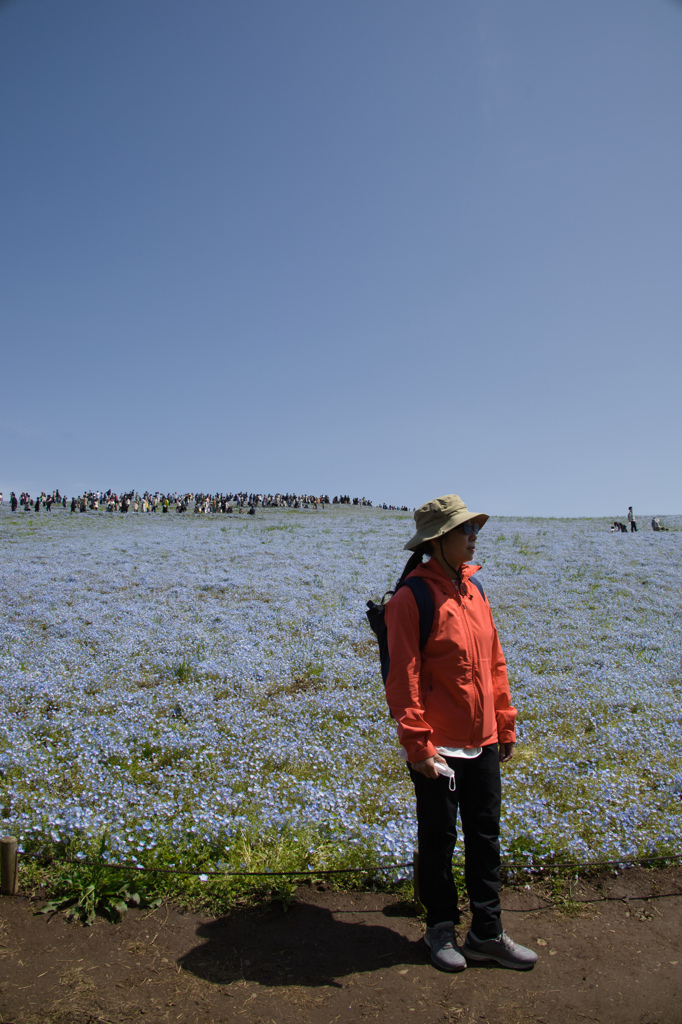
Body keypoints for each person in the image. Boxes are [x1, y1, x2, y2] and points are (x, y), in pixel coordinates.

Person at [384, 494, 537, 973]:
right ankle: (441, 928)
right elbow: (403, 678)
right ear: (438, 540)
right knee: (439, 839)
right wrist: (418, 745)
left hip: (484, 738)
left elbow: (495, 663)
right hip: (439, 747)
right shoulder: (412, 597)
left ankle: (487, 932)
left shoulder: (477, 591)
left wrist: (504, 723)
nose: (473, 537)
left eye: (474, 529)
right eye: (464, 530)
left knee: (485, 838)